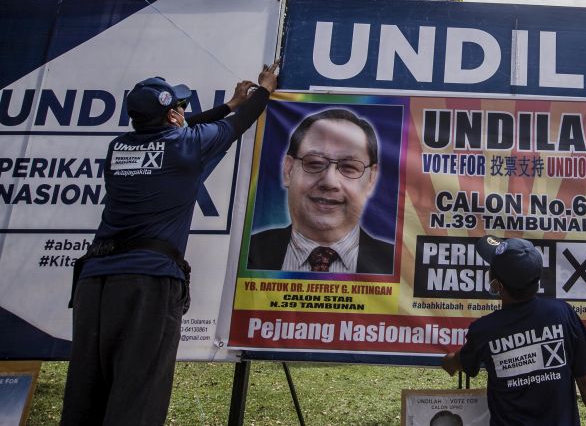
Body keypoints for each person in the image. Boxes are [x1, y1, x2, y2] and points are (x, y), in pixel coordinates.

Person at [60, 64, 278, 426]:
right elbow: (237, 127)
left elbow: (177, 131)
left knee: (86, 392)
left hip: (94, 283)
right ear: (173, 114)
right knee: (138, 394)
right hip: (148, 283)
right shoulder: (186, 144)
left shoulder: (118, 149)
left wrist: (227, 105)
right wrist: (264, 92)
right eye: (179, 107)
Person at [441, 235, 586, 426]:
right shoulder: (562, 314)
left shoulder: (484, 330)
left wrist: (448, 362)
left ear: (497, 284)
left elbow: (461, 362)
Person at [246, 107, 394, 274]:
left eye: (349, 167)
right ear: (288, 170)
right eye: (314, 163)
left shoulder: (400, 265)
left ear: (371, 180)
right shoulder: (246, 253)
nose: (330, 181)